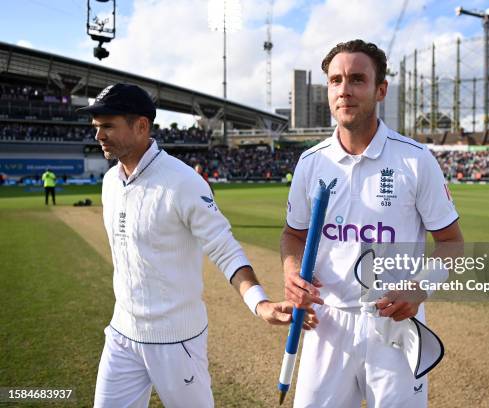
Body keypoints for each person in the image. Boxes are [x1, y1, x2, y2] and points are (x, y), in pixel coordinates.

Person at [77, 83, 315, 408]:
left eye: (107, 126)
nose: (98, 135)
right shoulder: (109, 182)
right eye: (96, 128)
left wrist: (259, 303)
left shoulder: (183, 182)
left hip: (177, 340)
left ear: (141, 126)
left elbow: (224, 248)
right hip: (122, 333)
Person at [281, 40, 464, 407]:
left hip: (393, 325)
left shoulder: (415, 159)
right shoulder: (311, 162)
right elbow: (292, 235)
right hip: (327, 324)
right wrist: (290, 271)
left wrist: (418, 289)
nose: (344, 90)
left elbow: (452, 243)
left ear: (380, 90)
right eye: (336, 80)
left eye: (357, 79)